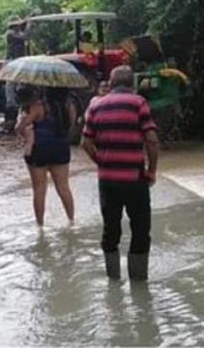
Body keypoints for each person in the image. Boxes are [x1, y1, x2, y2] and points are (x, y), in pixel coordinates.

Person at [82, 66, 159, 281]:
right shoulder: (138, 103)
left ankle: (113, 281)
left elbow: (85, 143)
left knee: (110, 229)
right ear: (132, 84)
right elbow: (152, 140)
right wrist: (152, 170)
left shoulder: (95, 105)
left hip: (107, 181)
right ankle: (139, 282)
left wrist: (102, 162)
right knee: (140, 229)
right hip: (135, 179)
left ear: (111, 83)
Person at [16, 86, 76, 226]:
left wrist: (21, 120)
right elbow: (71, 127)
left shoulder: (38, 107)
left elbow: (21, 127)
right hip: (61, 148)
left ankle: (40, 226)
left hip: (39, 149)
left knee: (39, 189)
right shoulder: (69, 106)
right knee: (63, 187)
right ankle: (71, 220)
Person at [4, 17, 30, 128]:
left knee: (20, 84)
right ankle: (11, 105)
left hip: (19, 61)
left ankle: (18, 104)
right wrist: (29, 26)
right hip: (12, 61)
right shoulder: (10, 34)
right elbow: (24, 37)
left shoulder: (17, 32)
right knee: (11, 85)